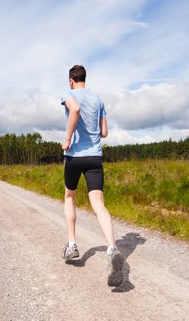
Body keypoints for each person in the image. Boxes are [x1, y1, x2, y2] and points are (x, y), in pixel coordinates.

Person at [60, 64, 122, 284]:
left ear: (71, 80)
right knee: (98, 204)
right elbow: (104, 132)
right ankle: (112, 248)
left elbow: (74, 109)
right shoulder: (98, 99)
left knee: (70, 197)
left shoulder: (68, 94)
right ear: (85, 78)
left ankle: (72, 245)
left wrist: (67, 139)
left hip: (75, 156)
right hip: (95, 157)